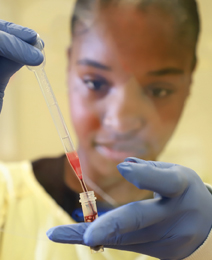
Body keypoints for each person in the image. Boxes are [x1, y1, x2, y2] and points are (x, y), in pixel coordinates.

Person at [0, 0, 212, 259]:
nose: (121, 122)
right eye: (95, 82)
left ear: (189, 83)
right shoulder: (7, 198)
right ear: (69, 66)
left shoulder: (200, 219)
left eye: (159, 90)